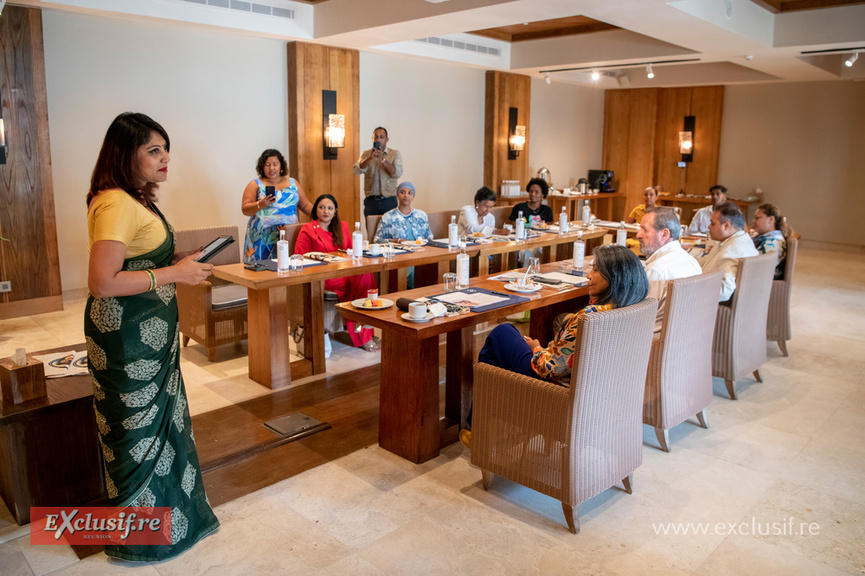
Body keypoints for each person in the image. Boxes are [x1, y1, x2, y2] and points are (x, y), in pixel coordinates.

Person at [85, 112, 219, 561]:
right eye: (154, 151)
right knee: (137, 432)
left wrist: (180, 260)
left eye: (166, 150)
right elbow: (102, 282)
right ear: (126, 155)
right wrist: (175, 273)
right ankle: (139, 538)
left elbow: (141, 260)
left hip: (150, 333)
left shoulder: (133, 200)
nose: (166, 160)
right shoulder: (116, 203)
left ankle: (172, 522)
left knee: (162, 426)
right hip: (126, 336)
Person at [460, 245, 649, 448]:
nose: (588, 275)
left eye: (595, 270)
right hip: (601, 396)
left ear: (613, 278)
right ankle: (480, 425)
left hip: (557, 397)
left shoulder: (590, 318)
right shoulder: (632, 307)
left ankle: (479, 428)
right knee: (503, 345)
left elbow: (548, 368)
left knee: (502, 333)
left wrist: (537, 347)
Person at [294, 194, 380, 351]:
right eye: (321, 207)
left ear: (335, 212)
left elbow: (351, 251)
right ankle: (364, 335)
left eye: (329, 208)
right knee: (362, 279)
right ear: (315, 210)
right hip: (324, 276)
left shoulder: (343, 227)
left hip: (344, 271)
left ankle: (366, 329)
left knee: (366, 276)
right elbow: (298, 257)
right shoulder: (308, 229)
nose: (325, 211)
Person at [241, 149, 312, 263]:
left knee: (287, 267)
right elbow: (245, 209)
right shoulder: (255, 184)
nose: (271, 168)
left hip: (288, 234)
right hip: (262, 237)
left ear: (281, 166)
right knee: (260, 271)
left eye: (275, 164)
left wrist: (322, 215)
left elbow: (306, 205)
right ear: (262, 167)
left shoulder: (293, 182)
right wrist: (261, 204)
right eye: (267, 165)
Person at [637, 207, 702, 332]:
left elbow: (638, 320)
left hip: (652, 344)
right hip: (685, 340)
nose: (638, 234)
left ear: (664, 234)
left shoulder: (656, 271)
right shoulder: (693, 263)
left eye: (644, 229)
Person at [372, 181, 433, 289]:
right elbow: (377, 240)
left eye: (410, 193)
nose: (406, 195)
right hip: (399, 254)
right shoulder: (388, 216)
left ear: (413, 196)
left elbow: (430, 238)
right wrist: (397, 241)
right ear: (397, 195)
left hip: (421, 253)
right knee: (410, 270)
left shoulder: (421, 215)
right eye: (402, 192)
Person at [699, 202, 758, 302]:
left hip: (708, 303)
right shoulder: (740, 240)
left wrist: (691, 289)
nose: (709, 227)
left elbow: (723, 291)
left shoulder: (732, 250)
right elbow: (706, 261)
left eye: (712, 223)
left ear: (726, 226)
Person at [354, 127, 403, 218]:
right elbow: (356, 170)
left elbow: (397, 173)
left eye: (381, 137)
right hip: (371, 201)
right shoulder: (366, 154)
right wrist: (369, 158)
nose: (378, 139)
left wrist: (383, 160)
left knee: (390, 231)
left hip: (389, 201)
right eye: (375, 137)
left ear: (387, 139)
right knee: (372, 231)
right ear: (372, 139)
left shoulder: (395, 154)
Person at [751, 203, 788, 280]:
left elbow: (754, 268)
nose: (753, 221)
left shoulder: (771, 243)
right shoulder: (769, 237)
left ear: (771, 219)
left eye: (757, 218)